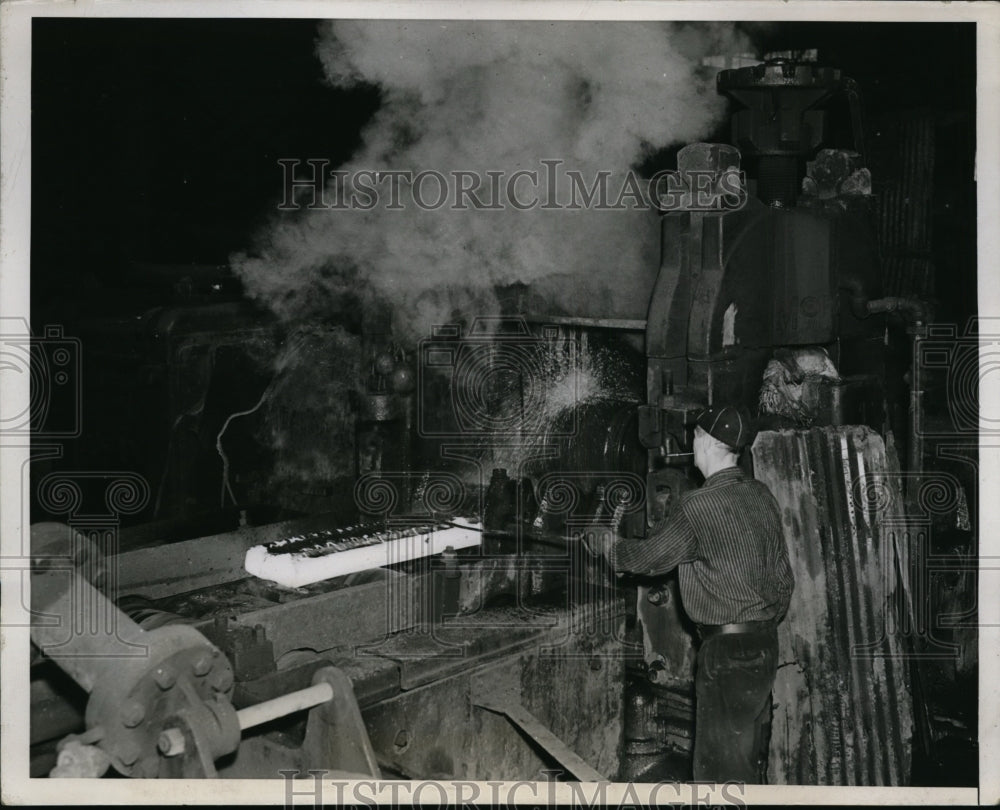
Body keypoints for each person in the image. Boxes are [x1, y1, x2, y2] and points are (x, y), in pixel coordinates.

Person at [601, 403, 793, 783]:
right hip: (765, 644)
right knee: (747, 759)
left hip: (726, 654)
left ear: (703, 442)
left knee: (718, 773)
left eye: (694, 436)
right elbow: (784, 581)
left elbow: (650, 559)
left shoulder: (697, 505)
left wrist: (610, 547)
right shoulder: (761, 495)